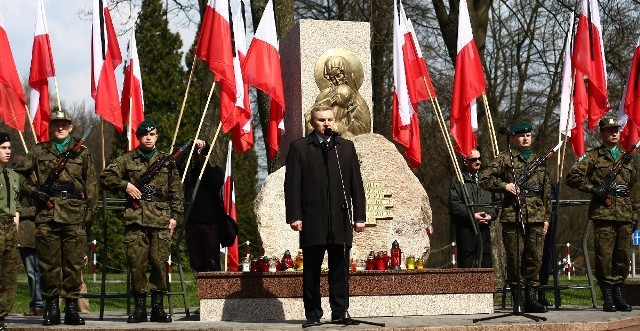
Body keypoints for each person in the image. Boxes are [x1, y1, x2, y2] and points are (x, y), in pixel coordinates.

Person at [284, 104, 366, 326]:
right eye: (321, 120)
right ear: (313, 122)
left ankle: (340, 312)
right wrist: (294, 216)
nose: (326, 123)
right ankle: (313, 314)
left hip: (339, 219)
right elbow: (292, 185)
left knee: (340, 268)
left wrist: (359, 216)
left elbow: (356, 185)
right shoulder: (300, 148)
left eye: (330, 119)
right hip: (312, 220)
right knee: (311, 269)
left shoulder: (345, 148)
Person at [14, 110, 98, 326]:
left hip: (74, 215)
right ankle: (51, 307)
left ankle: (71, 308)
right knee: (48, 265)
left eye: (64, 124)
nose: (60, 127)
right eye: (56, 124)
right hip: (47, 215)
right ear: (50, 127)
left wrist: (89, 215)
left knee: (73, 265)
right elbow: (17, 175)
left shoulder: (82, 152)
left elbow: (91, 186)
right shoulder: (38, 150)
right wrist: (34, 192)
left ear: (71, 127)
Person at [100, 119, 183, 323]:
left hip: (160, 219)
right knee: (136, 264)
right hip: (135, 219)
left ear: (156, 137)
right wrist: (126, 185)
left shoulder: (167, 161)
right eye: (144, 134)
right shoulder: (127, 159)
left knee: (159, 263)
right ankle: (139, 307)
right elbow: (105, 177)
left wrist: (174, 217)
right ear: (138, 137)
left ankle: (157, 307)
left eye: (152, 134)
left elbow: (176, 191)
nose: (148, 137)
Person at [566, 116, 638, 312]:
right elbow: (572, 177)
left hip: (624, 213)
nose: (614, 133)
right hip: (603, 213)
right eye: (609, 130)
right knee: (604, 256)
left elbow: (635, 189)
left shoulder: (627, 158)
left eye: (616, 129)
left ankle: (619, 293)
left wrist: (636, 214)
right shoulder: (593, 156)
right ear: (602, 133)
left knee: (622, 256)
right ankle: (607, 295)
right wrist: (593, 188)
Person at [479, 122, 550, 314]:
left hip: (536, 216)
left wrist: (546, 218)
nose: (525, 138)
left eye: (528, 135)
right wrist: (504, 186)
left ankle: (531, 299)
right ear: (513, 138)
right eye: (521, 136)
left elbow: (546, 192)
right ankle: (517, 299)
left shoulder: (539, 160)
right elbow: (483, 178)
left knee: (534, 258)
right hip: (513, 215)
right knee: (514, 258)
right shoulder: (504, 158)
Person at [448, 149, 500, 268]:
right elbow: (455, 205)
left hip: (484, 227)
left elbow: (496, 202)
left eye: (479, 159)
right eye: (473, 159)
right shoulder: (458, 181)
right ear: (465, 162)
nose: (478, 162)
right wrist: (472, 216)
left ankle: (485, 287)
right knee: (467, 263)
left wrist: (490, 215)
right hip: (466, 229)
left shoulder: (487, 180)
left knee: (485, 262)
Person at [185, 139, 225, 272]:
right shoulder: (189, 173)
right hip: (192, 222)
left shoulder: (215, 171)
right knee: (196, 263)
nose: (199, 155)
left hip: (210, 223)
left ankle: (215, 290)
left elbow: (215, 184)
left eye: (203, 153)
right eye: (197, 153)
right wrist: (190, 144)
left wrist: (204, 162)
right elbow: (176, 163)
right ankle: (200, 290)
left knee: (212, 260)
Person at [0, 133, 23, 331]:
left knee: (8, 277)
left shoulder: (13, 176)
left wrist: (15, 230)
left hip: (9, 229)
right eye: (3, 148)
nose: (8, 151)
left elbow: (16, 206)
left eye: (9, 148)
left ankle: (1, 317)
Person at [16, 187, 45, 317]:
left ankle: (40, 304)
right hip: (25, 234)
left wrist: (20, 211)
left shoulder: (36, 181)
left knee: (37, 272)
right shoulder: (18, 180)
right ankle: (37, 304)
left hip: (38, 233)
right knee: (32, 272)